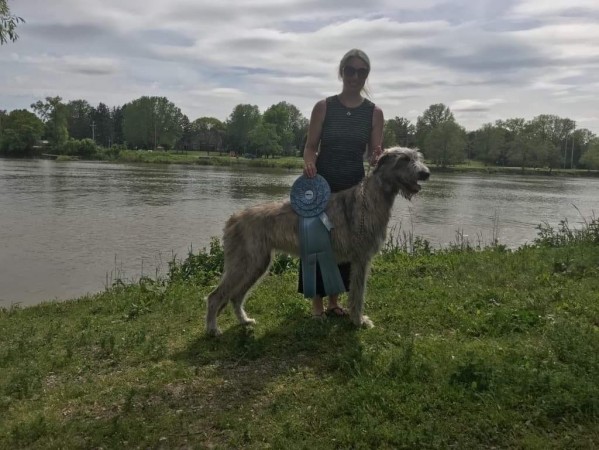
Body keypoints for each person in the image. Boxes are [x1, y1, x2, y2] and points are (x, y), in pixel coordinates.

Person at [300, 48, 384, 319]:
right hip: (321, 182)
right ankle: (316, 304)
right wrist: (309, 162)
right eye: (350, 70)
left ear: (366, 75)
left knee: (347, 242)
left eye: (362, 72)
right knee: (317, 240)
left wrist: (377, 156)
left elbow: (375, 155)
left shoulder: (374, 113)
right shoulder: (323, 107)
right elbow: (311, 147)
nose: (355, 76)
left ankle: (335, 302)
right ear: (341, 72)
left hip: (354, 188)